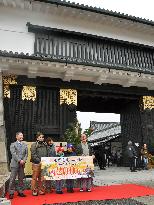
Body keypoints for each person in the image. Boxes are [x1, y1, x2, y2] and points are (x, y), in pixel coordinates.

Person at [8, 132, 28, 199]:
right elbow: (13, 154)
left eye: (22, 135)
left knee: (21, 179)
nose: (22, 136)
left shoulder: (25, 145)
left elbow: (26, 154)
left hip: (22, 164)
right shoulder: (13, 144)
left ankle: (20, 191)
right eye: (20, 135)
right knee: (12, 178)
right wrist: (20, 160)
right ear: (16, 137)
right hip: (14, 164)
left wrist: (24, 160)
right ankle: (11, 192)